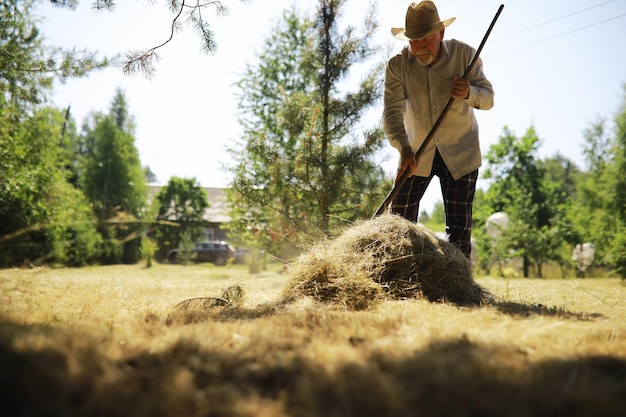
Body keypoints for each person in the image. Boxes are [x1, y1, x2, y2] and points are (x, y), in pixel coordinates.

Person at [382, 1, 494, 259]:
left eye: (426, 39)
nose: (419, 47)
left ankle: (460, 287)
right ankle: (398, 277)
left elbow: (488, 99)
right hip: (415, 153)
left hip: (461, 152)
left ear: (441, 34)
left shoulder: (465, 55)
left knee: (459, 232)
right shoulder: (397, 65)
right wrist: (404, 147)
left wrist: (468, 92)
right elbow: (391, 113)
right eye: (414, 41)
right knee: (399, 224)